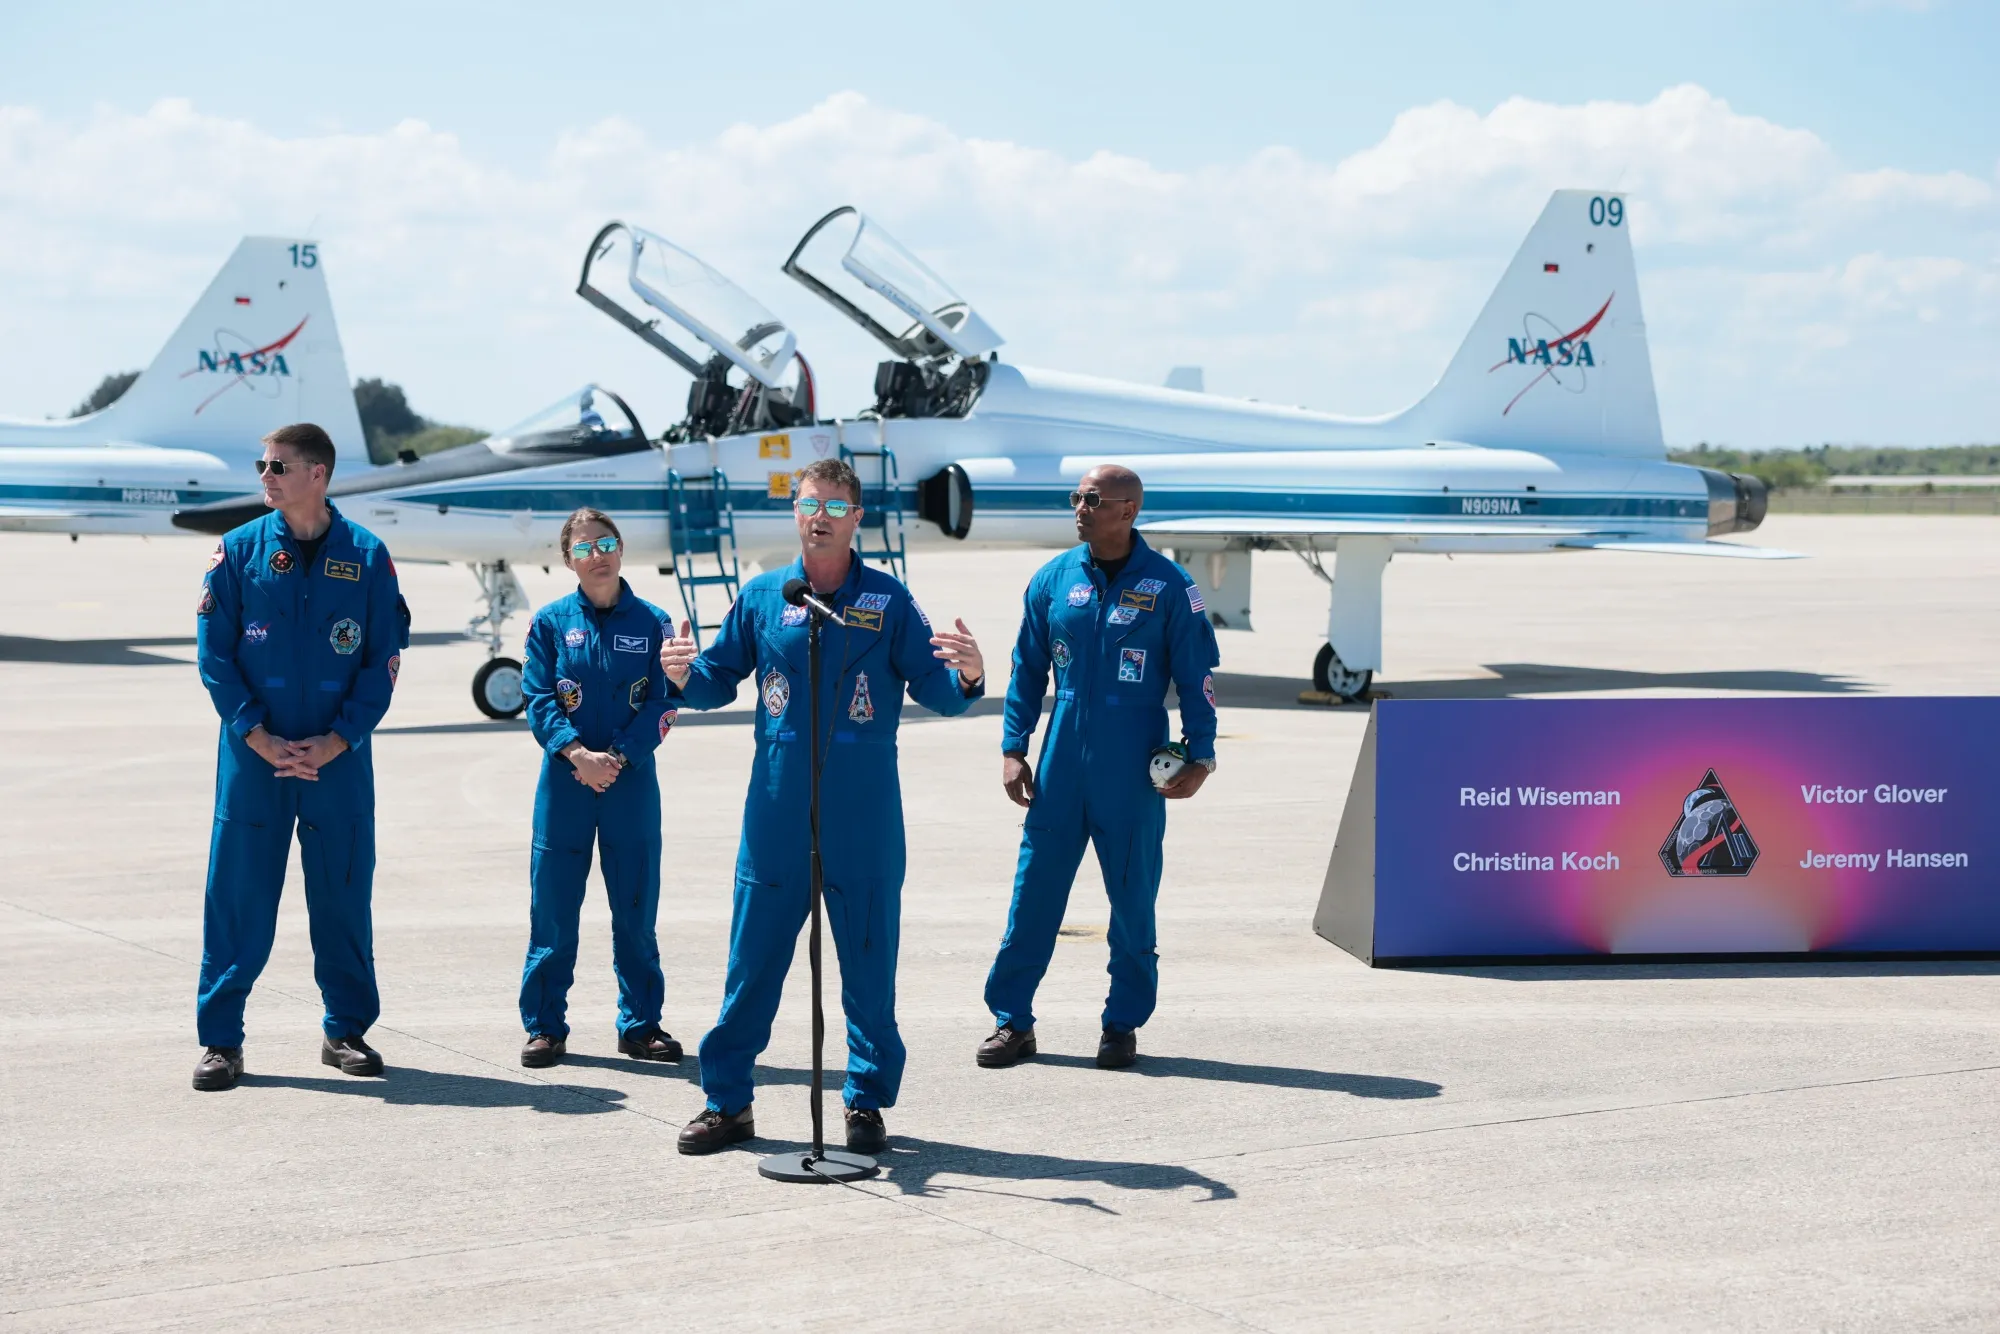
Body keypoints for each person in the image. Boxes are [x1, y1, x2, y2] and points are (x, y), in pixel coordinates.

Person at [658, 458, 987, 1156]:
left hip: (863, 816)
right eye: (811, 505)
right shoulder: (764, 597)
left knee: (869, 965)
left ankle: (865, 1102)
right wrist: (682, 677)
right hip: (776, 813)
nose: (822, 518)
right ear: (796, 513)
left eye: (836, 507)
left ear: (857, 518)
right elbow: (718, 680)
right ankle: (727, 1102)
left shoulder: (889, 601)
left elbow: (939, 689)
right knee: (751, 964)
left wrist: (971, 674)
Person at [977, 464, 1219, 1072]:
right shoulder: (1053, 580)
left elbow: (1197, 679)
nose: (1078, 507)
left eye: (1091, 499)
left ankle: (1122, 1024)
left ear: (1127, 510)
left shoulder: (1170, 587)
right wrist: (1013, 748)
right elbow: (1027, 670)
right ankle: (1012, 1021)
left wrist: (1202, 754)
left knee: (1132, 900)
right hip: (1061, 762)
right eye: (1076, 497)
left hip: (1133, 765)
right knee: (1033, 895)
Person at [191, 422, 410, 1091]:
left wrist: (338, 739)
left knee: (343, 895)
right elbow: (215, 656)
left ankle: (345, 1029)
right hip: (255, 762)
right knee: (238, 899)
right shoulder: (236, 553)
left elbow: (384, 660)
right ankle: (221, 1042)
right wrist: (256, 735)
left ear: (317, 473)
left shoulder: (368, 557)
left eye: (277, 465)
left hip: (335, 762)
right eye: (262, 464)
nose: (264, 475)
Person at [517, 508, 682, 1068]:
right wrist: (575, 753)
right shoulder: (549, 622)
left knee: (635, 911)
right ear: (568, 560)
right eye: (584, 548)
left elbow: (665, 699)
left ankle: (640, 1025)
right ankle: (544, 1027)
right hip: (564, 784)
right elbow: (538, 698)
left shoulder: (655, 621)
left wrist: (618, 757)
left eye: (606, 543)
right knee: (554, 911)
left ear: (621, 547)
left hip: (629, 784)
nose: (598, 555)